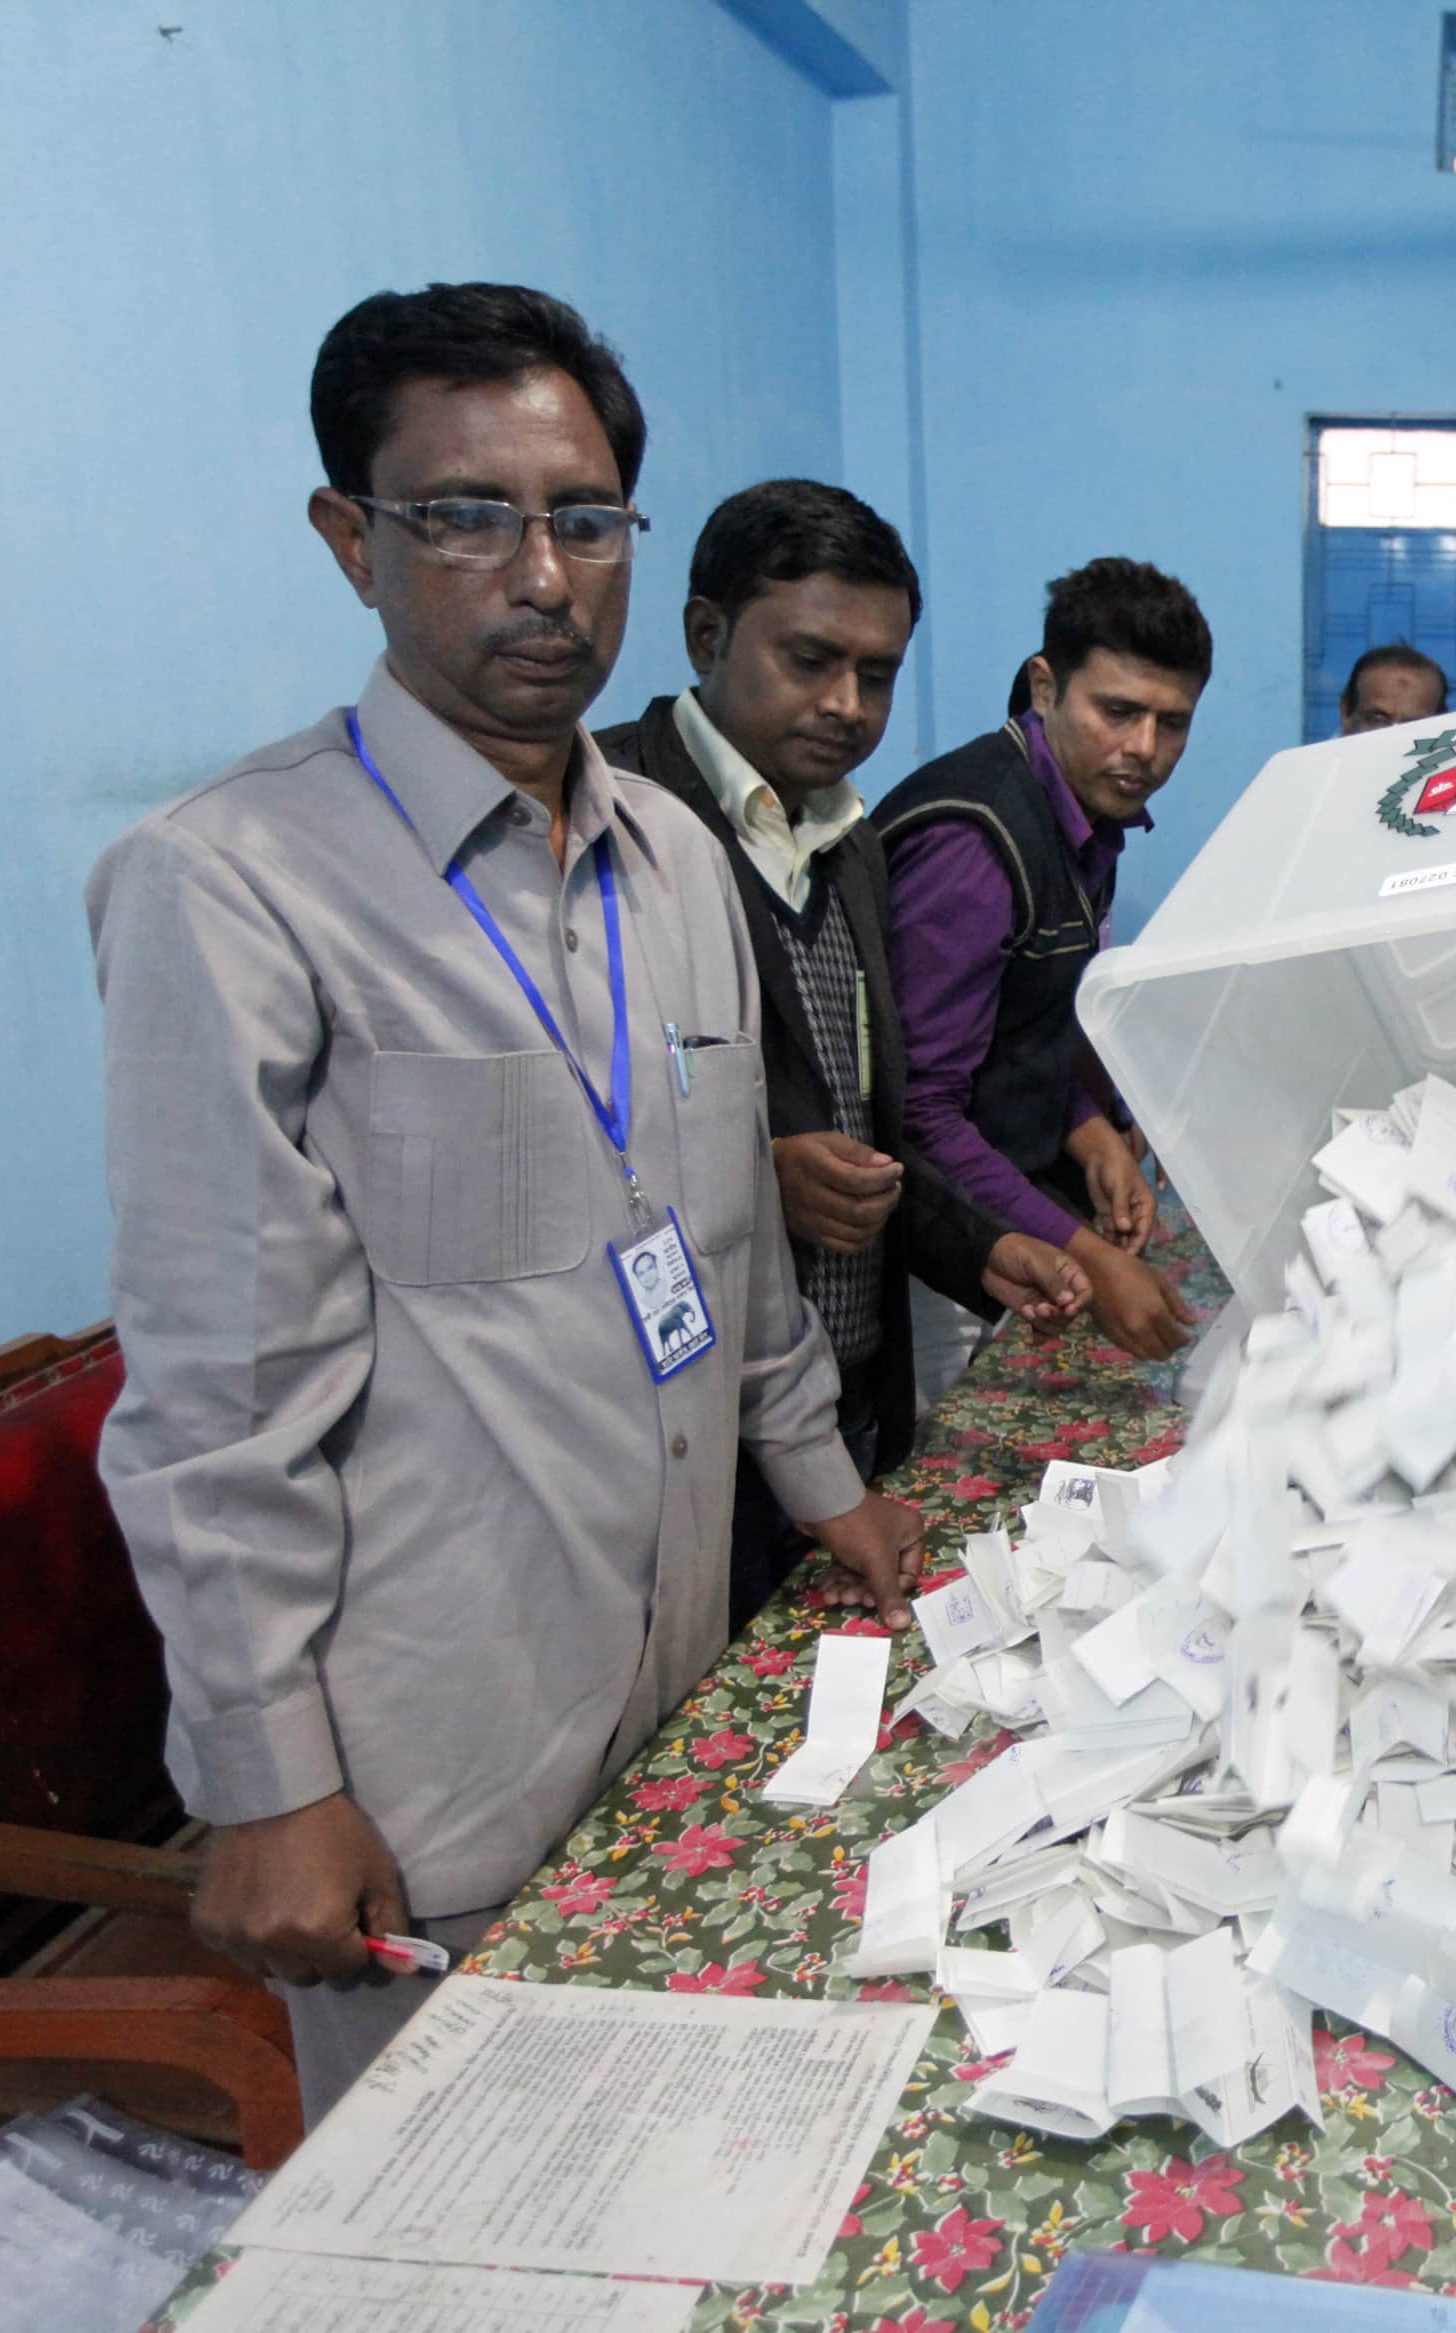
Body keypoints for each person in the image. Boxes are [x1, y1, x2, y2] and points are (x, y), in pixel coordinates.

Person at [88, 283, 927, 2118]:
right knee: (458, 2217)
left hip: (687, 1681)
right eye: (463, 515)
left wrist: (831, 1492)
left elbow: (735, 1264)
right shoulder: (228, 888)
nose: (540, 576)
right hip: (432, 1760)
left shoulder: (681, 862)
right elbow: (222, 1397)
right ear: (352, 541)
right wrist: (264, 1774)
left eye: (583, 517)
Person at [594, 481, 1090, 1627]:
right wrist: (758, 1170)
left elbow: (871, 1123)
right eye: (810, 658)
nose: (846, 702)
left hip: (843, 1399)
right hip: (678, 1425)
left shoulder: (849, 840)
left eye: (877, 673)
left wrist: (985, 1249)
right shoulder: (610, 819)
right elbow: (566, 1140)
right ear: (706, 634)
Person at [878, 558, 1211, 1373]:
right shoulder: (975, 845)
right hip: (940, 1251)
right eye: (1119, 711)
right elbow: (919, 1114)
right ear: (1043, 685)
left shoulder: (1088, 813)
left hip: (1009, 1207)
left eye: (1172, 723)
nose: (1143, 749)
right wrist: (1092, 1260)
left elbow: (1016, 1024)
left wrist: (1091, 1133)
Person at [1338, 641, 1448, 733]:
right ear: (1345, 711)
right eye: (1378, 719)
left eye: (1414, 725)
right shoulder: (1323, 759)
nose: (1393, 735)